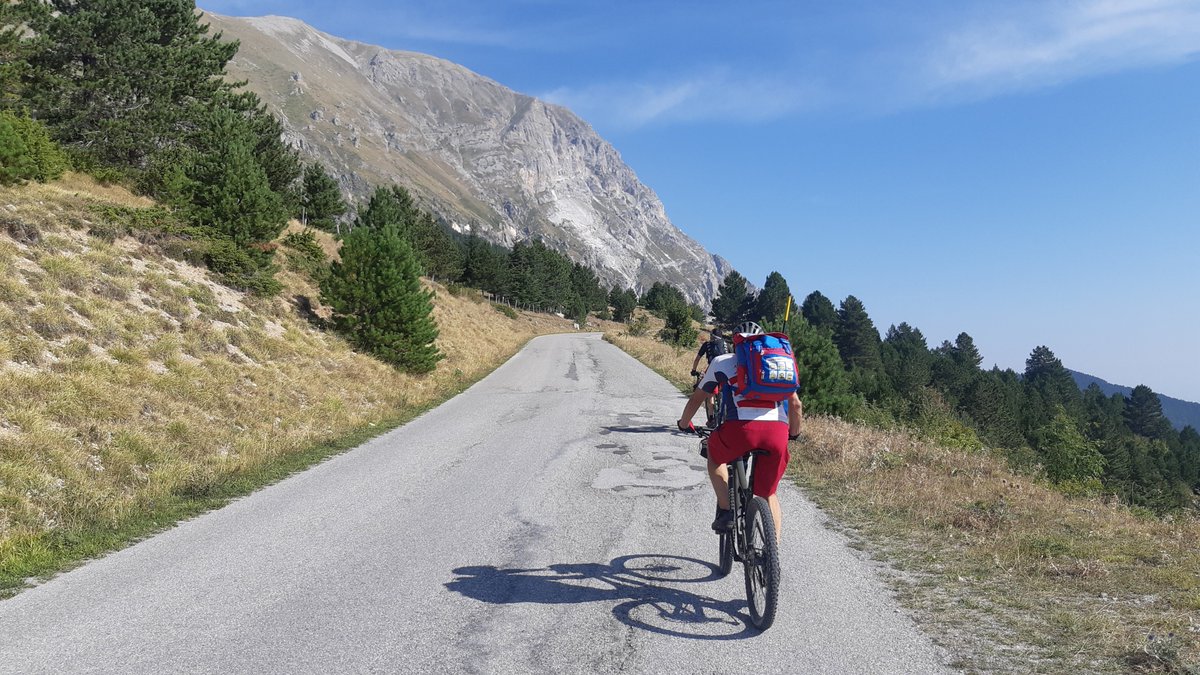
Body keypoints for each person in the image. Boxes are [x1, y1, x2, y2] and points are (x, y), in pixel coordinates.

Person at [676, 321, 802, 541]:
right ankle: (772, 555)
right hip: (777, 433)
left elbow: (698, 398)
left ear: (735, 342)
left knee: (715, 457)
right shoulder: (775, 364)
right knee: (769, 493)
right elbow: (796, 405)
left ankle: (726, 512)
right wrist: (794, 433)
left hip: (740, 430)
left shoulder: (722, 362)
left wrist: (684, 423)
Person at [690, 329, 728, 426]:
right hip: (726, 371)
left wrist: (694, 370)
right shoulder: (726, 344)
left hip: (713, 370)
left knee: (710, 395)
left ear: (712, 336)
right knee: (728, 392)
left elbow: (697, 358)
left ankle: (711, 419)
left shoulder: (707, 345)